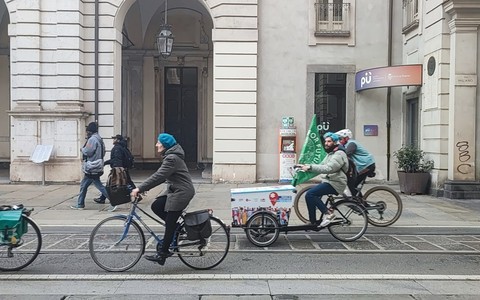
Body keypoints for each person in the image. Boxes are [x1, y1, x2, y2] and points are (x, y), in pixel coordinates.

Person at [131, 133, 195, 265]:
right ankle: (176, 228)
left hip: (181, 193)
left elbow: (159, 176)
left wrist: (139, 188)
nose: (156, 145)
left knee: (169, 223)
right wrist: (145, 188)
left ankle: (163, 254)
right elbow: (161, 176)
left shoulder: (171, 158)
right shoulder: (171, 157)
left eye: (158, 142)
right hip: (176, 190)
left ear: (165, 145)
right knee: (156, 206)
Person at [296, 132, 348, 227]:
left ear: (335, 142)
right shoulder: (331, 154)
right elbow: (321, 166)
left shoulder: (339, 154)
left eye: (329, 141)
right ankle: (313, 222)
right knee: (309, 196)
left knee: (311, 194)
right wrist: (305, 166)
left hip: (336, 183)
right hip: (329, 181)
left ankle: (329, 214)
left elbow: (329, 168)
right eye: (325, 141)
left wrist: (310, 167)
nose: (326, 143)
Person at [70, 122, 109, 210]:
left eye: (87, 131)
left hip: (91, 166)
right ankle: (80, 204)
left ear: (90, 131)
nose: (87, 132)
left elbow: (88, 151)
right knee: (84, 185)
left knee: (99, 186)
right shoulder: (99, 139)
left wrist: (82, 149)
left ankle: (114, 201)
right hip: (97, 165)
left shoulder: (92, 140)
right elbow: (103, 152)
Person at [94, 134, 136, 211]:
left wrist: (108, 164)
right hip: (123, 168)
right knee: (127, 183)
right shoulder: (123, 147)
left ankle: (112, 200)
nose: (113, 140)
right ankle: (102, 198)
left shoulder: (117, 148)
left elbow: (117, 159)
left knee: (111, 184)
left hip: (117, 169)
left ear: (118, 140)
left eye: (114, 139)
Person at [335, 129, 376, 197]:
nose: (339, 141)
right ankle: (358, 202)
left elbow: (346, 154)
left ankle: (361, 204)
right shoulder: (346, 145)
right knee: (352, 184)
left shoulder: (351, 144)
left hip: (366, 165)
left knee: (352, 184)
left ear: (346, 138)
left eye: (340, 138)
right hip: (362, 166)